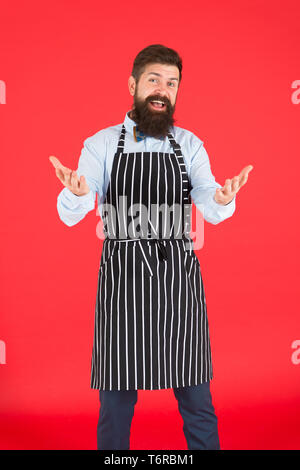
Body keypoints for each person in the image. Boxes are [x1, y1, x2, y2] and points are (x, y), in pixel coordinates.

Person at [49, 44, 253, 450]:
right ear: (133, 85)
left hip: (178, 281)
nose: (162, 90)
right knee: (116, 402)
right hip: (123, 282)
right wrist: (77, 192)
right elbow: (72, 213)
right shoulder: (102, 144)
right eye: (154, 80)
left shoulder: (189, 145)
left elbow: (210, 203)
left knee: (197, 399)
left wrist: (224, 198)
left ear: (178, 91)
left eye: (171, 83)